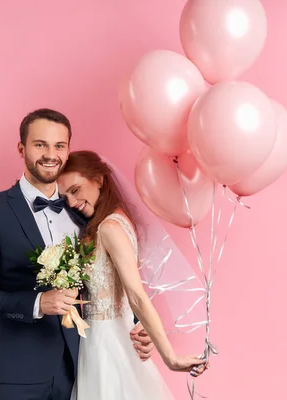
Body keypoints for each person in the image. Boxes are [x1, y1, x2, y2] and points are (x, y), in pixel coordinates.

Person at [0, 109, 156, 400]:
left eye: (59, 146)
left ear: (67, 150)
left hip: (77, 371)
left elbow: (106, 281)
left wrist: (139, 327)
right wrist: (37, 303)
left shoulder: (82, 216)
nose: (50, 154)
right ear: (21, 148)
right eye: (40, 144)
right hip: (14, 374)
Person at [57, 150, 208, 400]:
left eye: (75, 190)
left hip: (108, 344)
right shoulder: (115, 221)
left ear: (99, 179)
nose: (71, 203)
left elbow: (136, 295)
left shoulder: (109, 228)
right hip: (103, 340)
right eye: (65, 197)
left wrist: (169, 356)